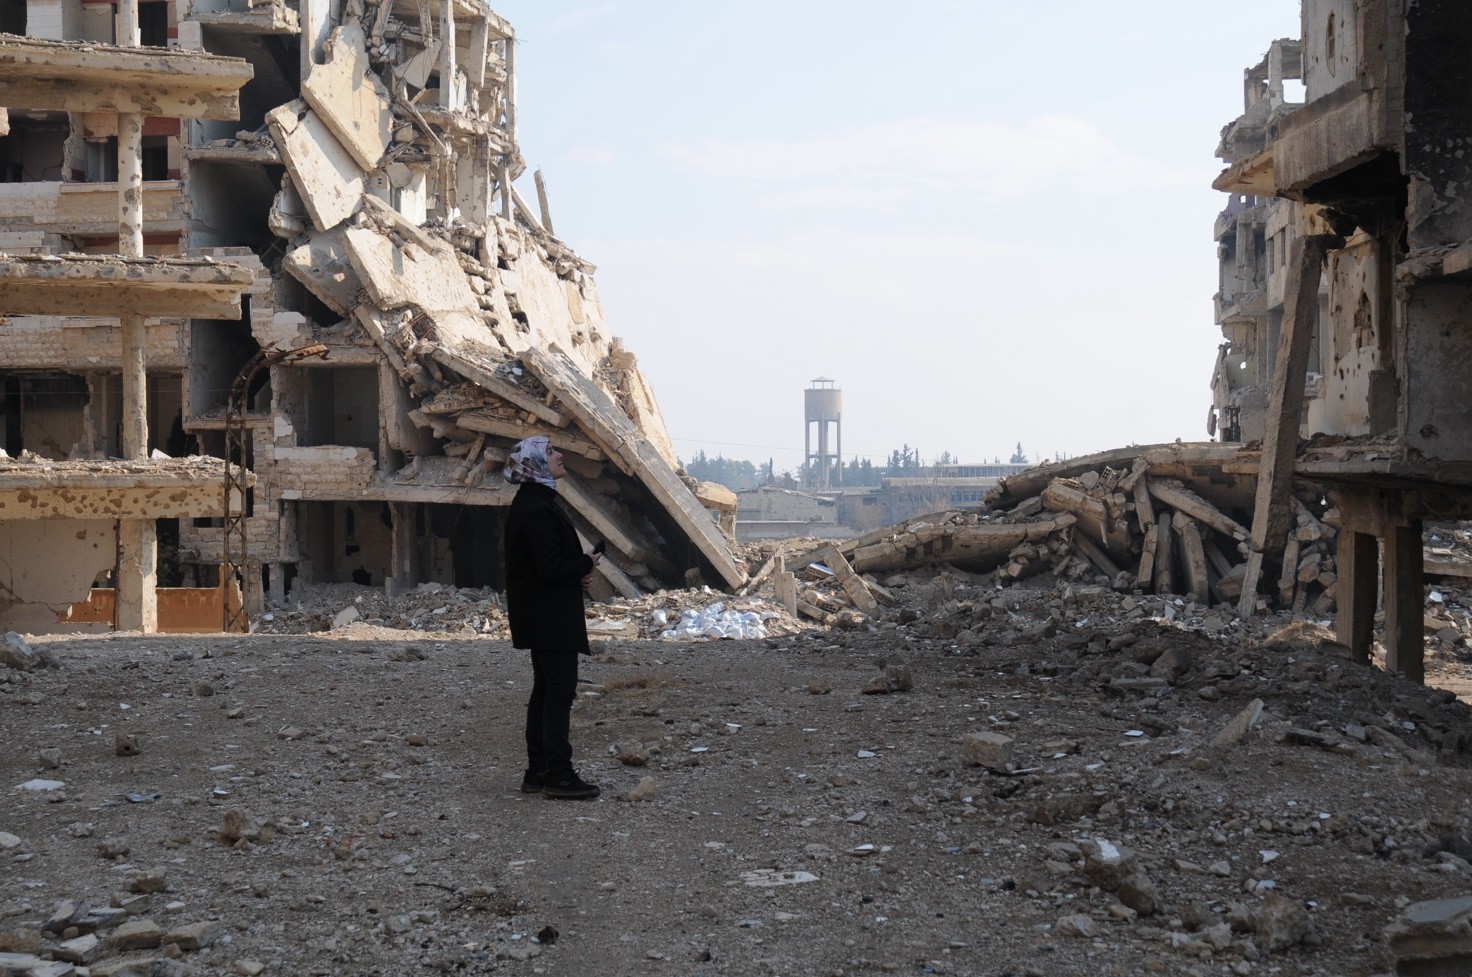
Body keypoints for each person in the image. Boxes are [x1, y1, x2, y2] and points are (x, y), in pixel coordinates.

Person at [502, 435, 603, 800]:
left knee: (546, 691)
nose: (559, 455)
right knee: (558, 693)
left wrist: (578, 571)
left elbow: (544, 565)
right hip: (550, 617)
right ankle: (559, 775)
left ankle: (539, 770)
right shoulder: (538, 509)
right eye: (549, 452)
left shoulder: (535, 502)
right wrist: (584, 564)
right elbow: (549, 569)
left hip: (542, 614)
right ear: (534, 464)